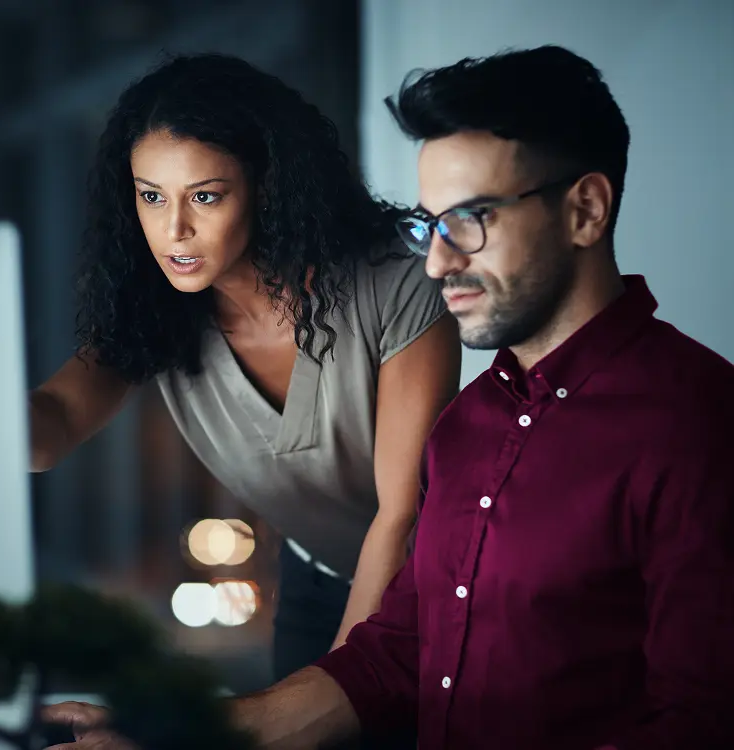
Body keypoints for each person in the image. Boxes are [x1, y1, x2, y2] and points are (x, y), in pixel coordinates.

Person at [43, 45, 734, 750]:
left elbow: (704, 717)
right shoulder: (470, 431)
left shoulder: (696, 423)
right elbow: (386, 661)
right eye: (433, 224)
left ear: (585, 210)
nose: (436, 262)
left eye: (472, 218)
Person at [28, 53, 460, 685]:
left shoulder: (396, 283)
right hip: (316, 583)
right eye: (151, 197)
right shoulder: (158, 317)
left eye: (205, 196)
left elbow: (402, 518)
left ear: (267, 186)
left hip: (436, 589)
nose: (174, 229)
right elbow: (52, 427)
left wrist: (331, 692)